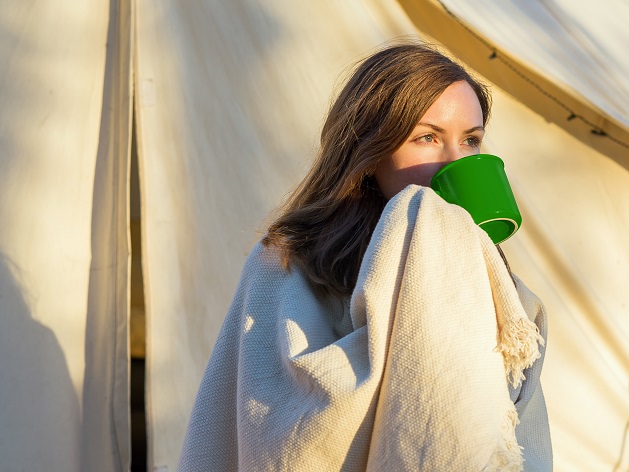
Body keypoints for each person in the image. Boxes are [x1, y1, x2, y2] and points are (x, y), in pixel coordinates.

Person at [177, 43, 551, 471]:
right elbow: (274, 435)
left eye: (471, 141)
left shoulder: (492, 284)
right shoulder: (286, 263)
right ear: (373, 149)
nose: (454, 161)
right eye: (427, 137)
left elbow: (516, 440)